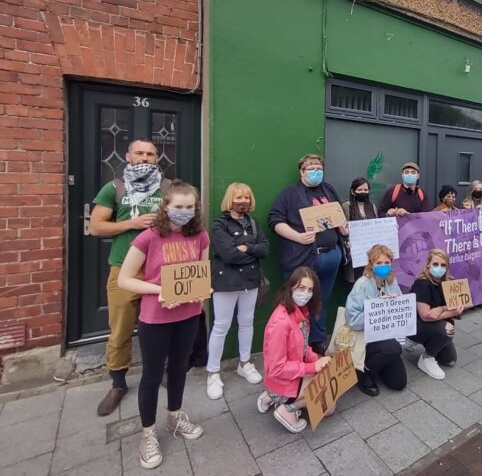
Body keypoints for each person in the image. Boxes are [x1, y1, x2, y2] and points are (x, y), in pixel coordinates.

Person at [117, 180, 208, 469]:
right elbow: (125, 279)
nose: (183, 212)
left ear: (196, 209)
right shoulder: (148, 237)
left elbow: (201, 275)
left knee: (179, 368)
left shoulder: (201, 236)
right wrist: (161, 290)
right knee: (152, 375)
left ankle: (174, 417)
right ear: (165, 207)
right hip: (156, 318)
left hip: (189, 315)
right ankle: (147, 433)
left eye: (189, 207)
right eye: (178, 207)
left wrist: (204, 290)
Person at [89, 138, 168, 416]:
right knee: (121, 328)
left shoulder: (167, 188)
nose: (145, 158)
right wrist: (131, 224)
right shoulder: (115, 187)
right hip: (124, 269)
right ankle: (118, 383)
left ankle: (159, 372)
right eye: (140, 153)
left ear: (157, 158)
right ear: (128, 156)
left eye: (150, 154)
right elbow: (96, 227)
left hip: (160, 269)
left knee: (160, 326)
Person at [268, 154, 347, 355]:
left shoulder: (328, 189)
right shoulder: (290, 194)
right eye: (310, 168)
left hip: (332, 255)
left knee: (322, 300)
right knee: (298, 300)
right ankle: (294, 342)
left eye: (318, 167)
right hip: (303, 258)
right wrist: (297, 236)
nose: (315, 171)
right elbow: (274, 220)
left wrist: (344, 228)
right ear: (301, 171)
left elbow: (338, 215)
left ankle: (317, 340)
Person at [206, 182, 269, 400]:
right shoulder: (219, 224)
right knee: (221, 326)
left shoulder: (253, 222)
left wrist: (247, 247)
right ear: (229, 199)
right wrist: (251, 250)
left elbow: (265, 248)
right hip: (226, 282)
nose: (242, 201)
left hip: (250, 281)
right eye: (238, 197)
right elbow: (228, 255)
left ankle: (245, 363)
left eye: (246, 197)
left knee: (247, 322)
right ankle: (213, 372)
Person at [258, 267, 332, 433]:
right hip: (282, 379)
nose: (305, 294)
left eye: (310, 290)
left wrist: (315, 360)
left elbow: (304, 348)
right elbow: (277, 367)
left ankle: (273, 398)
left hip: (293, 375)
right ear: (291, 288)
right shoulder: (280, 322)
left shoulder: (301, 312)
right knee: (327, 401)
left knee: (330, 407)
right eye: (301, 288)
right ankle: (286, 409)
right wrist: (313, 367)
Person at [345, 245, 408, 396]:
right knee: (394, 348)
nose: (383, 266)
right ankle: (363, 370)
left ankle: (377, 366)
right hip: (366, 338)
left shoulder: (392, 282)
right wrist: (377, 308)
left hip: (385, 335)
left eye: (387, 262)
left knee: (399, 383)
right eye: (378, 263)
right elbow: (352, 320)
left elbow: (402, 311)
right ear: (371, 265)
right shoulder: (362, 284)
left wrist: (396, 303)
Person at [408, 249, 462, 380]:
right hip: (417, 325)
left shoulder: (448, 283)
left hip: (436, 323)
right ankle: (426, 358)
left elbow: (456, 305)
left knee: (450, 361)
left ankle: (430, 340)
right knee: (448, 331)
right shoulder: (422, 284)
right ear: (428, 264)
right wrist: (452, 311)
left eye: (443, 265)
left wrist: (442, 308)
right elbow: (426, 316)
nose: (439, 268)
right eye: (435, 264)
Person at [341, 177, 378, 281]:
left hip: (371, 252)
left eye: (366, 190)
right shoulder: (346, 206)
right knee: (357, 281)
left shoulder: (372, 206)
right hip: (354, 252)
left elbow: (378, 226)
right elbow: (343, 228)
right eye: (360, 190)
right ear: (353, 191)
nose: (363, 192)